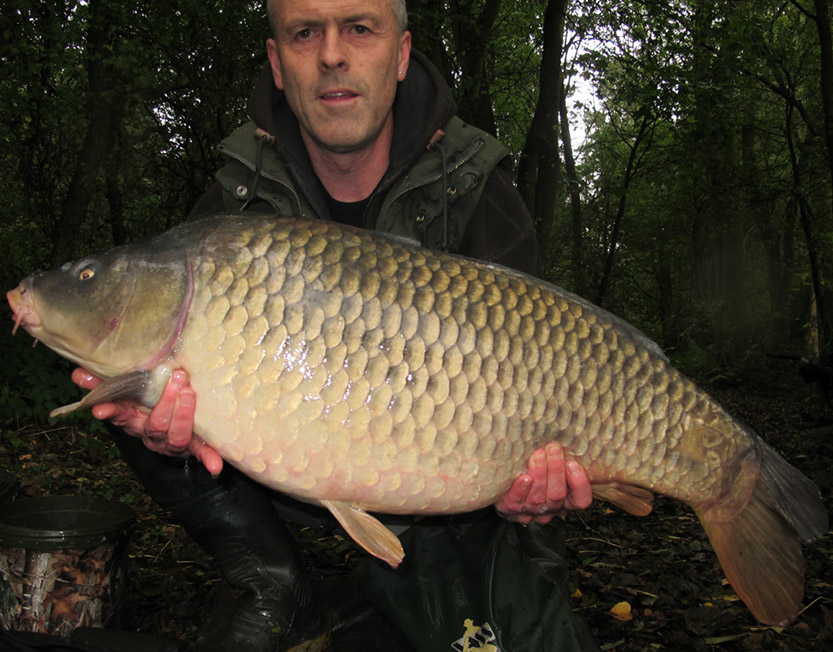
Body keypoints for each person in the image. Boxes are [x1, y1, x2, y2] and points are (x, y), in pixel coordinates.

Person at [72, 1, 596, 650]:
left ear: (400, 54)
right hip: (275, 500)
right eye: (303, 33)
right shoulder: (231, 210)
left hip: (447, 499)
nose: (330, 55)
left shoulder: (478, 192)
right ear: (277, 61)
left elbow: (544, 393)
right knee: (126, 378)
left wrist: (528, 494)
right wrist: (167, 442)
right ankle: (274, 581)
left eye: (358, 28)